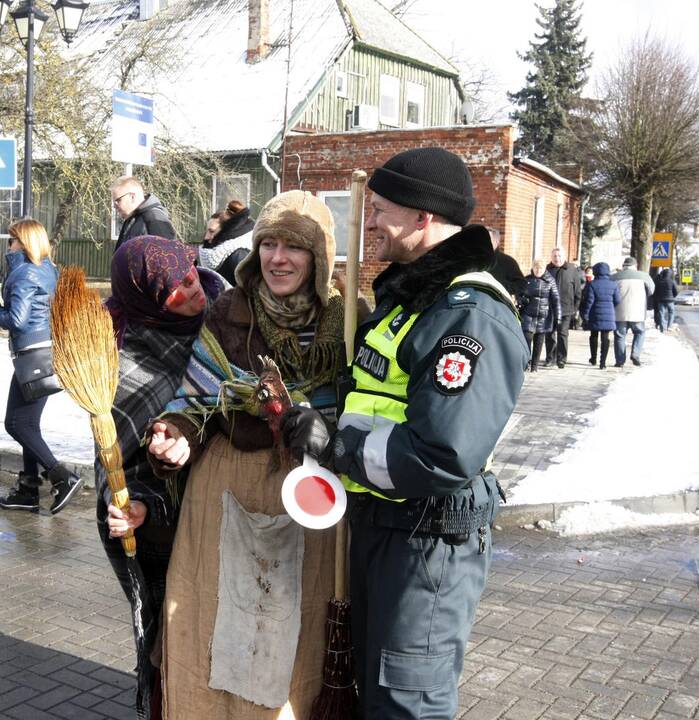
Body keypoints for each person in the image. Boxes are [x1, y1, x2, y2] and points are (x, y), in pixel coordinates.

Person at [279, 148, 529, 719]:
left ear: (423, 218)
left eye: (380, 210)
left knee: (405, 701)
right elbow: (375, 400)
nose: (367, 223)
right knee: (376, 692)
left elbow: (442, 453)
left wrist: (335, 446)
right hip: (380, 528)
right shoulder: (409, 301)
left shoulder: (467, 314)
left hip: (425, 543)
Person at [147, 190, 344, 718]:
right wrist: (176, 434)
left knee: (292, 628)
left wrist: (326, 429)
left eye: (294, 248)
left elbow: (358, 410)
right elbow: (195, 399)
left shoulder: (346, 323)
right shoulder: (228, 314)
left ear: (320, 257)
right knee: (212, 619)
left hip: (310, 496)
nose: (277, 259)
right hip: (226, 486)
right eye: (268, 245)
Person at [100, 235, 225, 719]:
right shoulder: (122, 352)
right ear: (148, 300)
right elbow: (115, 453)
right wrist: (143, 504)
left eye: (191, 277)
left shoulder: (224, 316)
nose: (193, 293)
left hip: (220, 500)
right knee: (167, 632)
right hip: (154, 518)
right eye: (176, 293)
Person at [0, 218, 83, 514]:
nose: (9, 245)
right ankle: (29, 489)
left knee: (17, 424)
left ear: (22, 241)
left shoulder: (24, 273)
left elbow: (17, 319)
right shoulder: (45, 269)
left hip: (33, 356)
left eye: (11, 240)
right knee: (27, 423)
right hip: (42, 353)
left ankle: (62, 477)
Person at [198, 199, 255, 287]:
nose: (206, 237)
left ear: (225, 232)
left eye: (211, 231)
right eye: (207, 231)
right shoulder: (212, 257)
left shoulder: (239, 257)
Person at [519, 259, 561, 372]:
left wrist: (558, 316)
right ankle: (526, 363)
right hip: (528, 314)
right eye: (536, 268)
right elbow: (519, 294)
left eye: (540, 268)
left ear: (544, 269)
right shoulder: (527, 280)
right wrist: (522, 300)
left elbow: (556, 300)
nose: (538, 270)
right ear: (532, 268)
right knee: (526, 339)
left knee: (539, 342)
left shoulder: (550, 281)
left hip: (543, 316)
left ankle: (534, 366)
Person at [611, 256, 654, 367]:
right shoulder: (644, 277)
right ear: (635, 266)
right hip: (638, 312)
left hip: (619, 312)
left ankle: (620, 361)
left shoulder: (615, 277)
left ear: (623, 266)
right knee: (639, 332)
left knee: (620, 336)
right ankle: (635, 354)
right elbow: (651, 290)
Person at [113, 176, 177, 250]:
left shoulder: (154, 219)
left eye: (118, 200)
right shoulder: (131, 220)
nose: (114, 206)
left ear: (132, 197)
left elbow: (166, 256)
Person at [546, 247, 583, 367]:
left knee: (562, 334)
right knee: (549, 334)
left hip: (566, 309)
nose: (557, 258)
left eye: (559, 256)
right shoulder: (547, 269)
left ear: (564, 257)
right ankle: (550, 357)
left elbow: (577, 291)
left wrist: (575, 308)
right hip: (549, 309)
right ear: (551, 258)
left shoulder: (572, 270)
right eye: (555, 256)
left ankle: (561, 359)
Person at [580, 262, 620, 368]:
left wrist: (585, 314)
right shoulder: (614, 284)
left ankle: (593, 358)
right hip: (609, 314)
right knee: (605, 338)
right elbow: (617, 300)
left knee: (593, 336)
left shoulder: (592, 284)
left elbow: (589, 301)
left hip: (595, 314)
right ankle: (603, 362)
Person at [486, 226, 526, 299]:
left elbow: (521, 284)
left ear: (496, 242)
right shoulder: (475, 260)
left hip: (498, 304)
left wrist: (500, 286)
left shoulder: (508, 262)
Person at [653, 267, 679, 332]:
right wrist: (672, 297)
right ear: (670, 274)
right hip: (670, 300)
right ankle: (669, 326)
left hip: (661, 300)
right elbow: (676, 291)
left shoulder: (659, 282)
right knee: (671, 312)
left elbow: (656, 291)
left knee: (661, 313)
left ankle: (662, 328)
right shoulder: (672, 281)